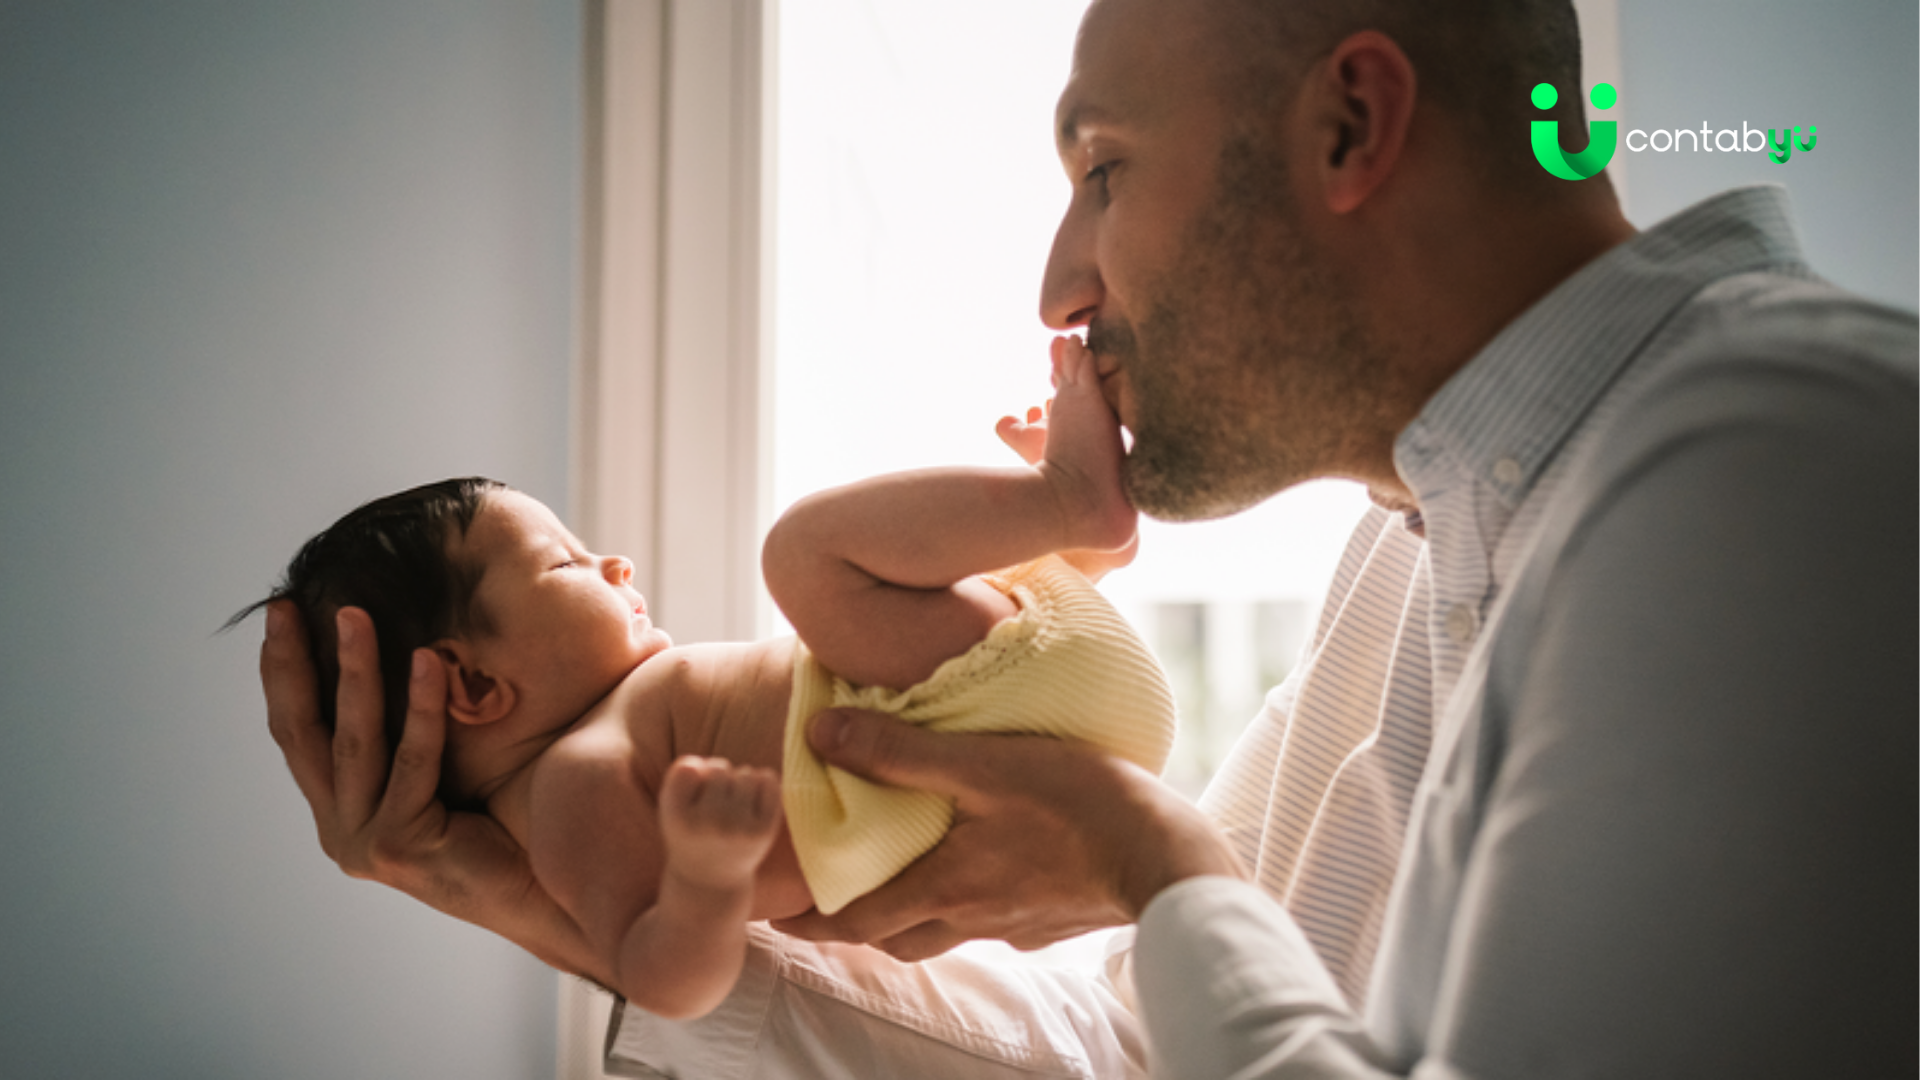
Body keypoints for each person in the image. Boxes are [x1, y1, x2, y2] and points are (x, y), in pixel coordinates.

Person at [262, 0, 1917, 1075]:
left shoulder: (1773, 470)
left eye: (1104, 169)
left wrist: (1147, 856)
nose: (1061, 285)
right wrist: (534, 899)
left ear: (1353, 125)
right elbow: (1146, 1044)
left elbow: (1177, 945)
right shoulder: (1426, 542)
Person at [245, 339, 1186, 1021]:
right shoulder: (574, 782)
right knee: (800, 554)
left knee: (851, 604)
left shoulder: (620, 729)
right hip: (975, 716)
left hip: (995, 714)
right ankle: (1065, 504)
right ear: (477, 688)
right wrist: (704, 879)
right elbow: (661, 981)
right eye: (566, 564)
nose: (614, 562)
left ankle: (1072, 541)